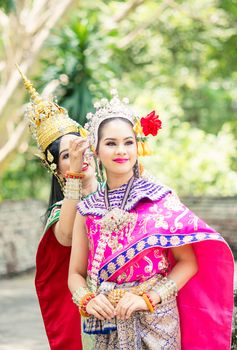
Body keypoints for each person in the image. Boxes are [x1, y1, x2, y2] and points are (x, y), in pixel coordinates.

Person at [68, 90, 234, 350]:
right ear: (96, 150)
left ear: (138, 146)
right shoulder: (87, 209)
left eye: (128, 142)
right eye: (110, 143)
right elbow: (75, 274)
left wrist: (149, 299)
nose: (121, 150)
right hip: (108, 324)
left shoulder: (160, 199)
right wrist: (87, 299)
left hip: (158, 321)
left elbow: (188, 262)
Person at [18, 67, 97, 350]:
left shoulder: (119, 193)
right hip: (91, 314)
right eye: (66, 155)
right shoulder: (60, 212)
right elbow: (65, 237)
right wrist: (76, 177)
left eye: (79, 146)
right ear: (58, 168)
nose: (77, 156)